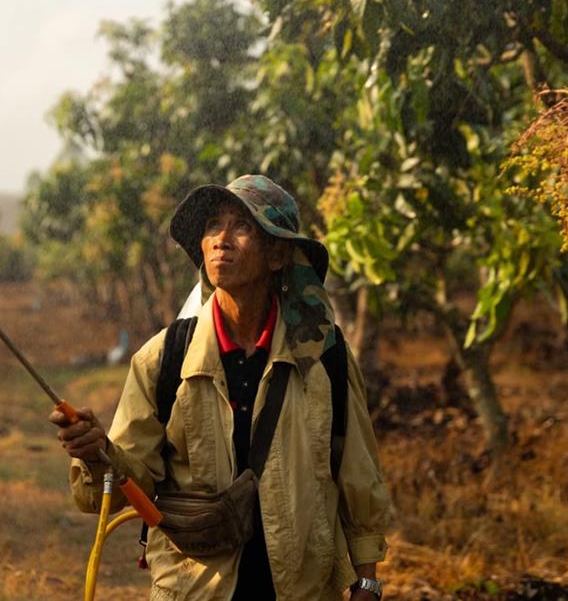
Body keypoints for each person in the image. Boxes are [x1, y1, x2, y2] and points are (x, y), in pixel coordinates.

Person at [50, 175, 391, 601]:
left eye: (242, 227)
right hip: (195, 589)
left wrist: (368, 581)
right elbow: (127, 480)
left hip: (300, 588)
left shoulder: (324, 358)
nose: (221, 240)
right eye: (213, 225)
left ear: (278, 254)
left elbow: (358, 477)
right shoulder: (164, 358)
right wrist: (96, 452)